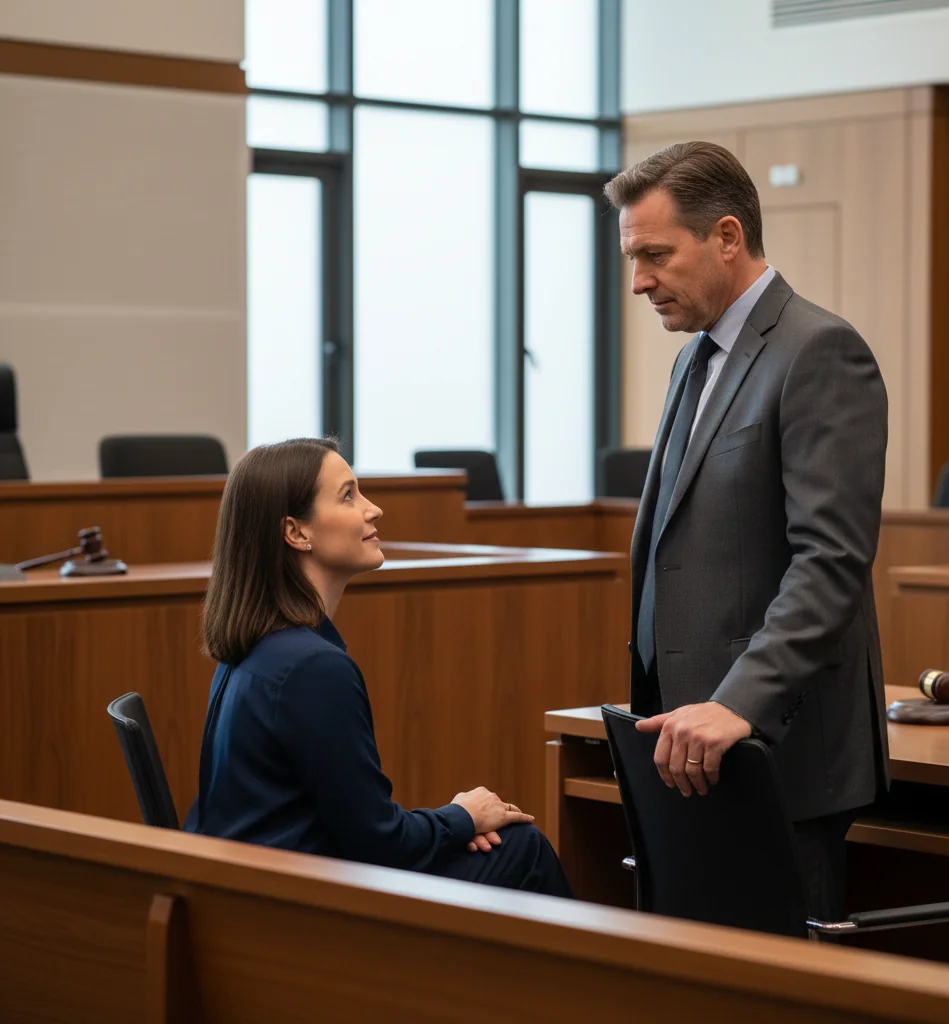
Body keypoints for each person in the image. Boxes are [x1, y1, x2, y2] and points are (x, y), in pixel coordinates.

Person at [604, 142, 889, 925]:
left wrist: (740, 703)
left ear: (727, 236)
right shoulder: (694, 358)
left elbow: (830, 561)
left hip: (772, 750)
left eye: (656, 255)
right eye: (634, 258)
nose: (639, 282)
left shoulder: (819, 351)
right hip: (689, 744)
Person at [184, 437, 572, 898]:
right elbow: (380, 845)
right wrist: (462, 817)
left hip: (260, 895)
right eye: (348, 495)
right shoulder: (311, 667)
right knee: (521, 848)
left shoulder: (253, 652)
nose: (373, 510)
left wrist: (451, 823)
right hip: (308, 912)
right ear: (296, 532)